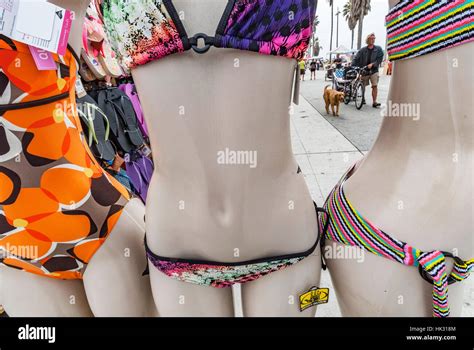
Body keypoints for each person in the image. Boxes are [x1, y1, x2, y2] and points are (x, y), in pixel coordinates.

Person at [352, 33, 384, 108]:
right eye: (371, 38)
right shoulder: (362, 50)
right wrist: (353, 66)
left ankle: (374, 102)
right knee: (362, 86)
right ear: (368, 40)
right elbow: (356, 59)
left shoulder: (378, 49)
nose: (373, 40)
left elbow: (380, 59)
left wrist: (373, 64)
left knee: (374, 85)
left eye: (374, 38)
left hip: (374, 70)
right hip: (364, 70)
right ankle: (363, 99)